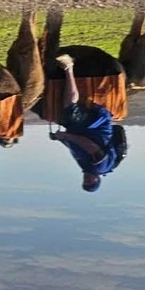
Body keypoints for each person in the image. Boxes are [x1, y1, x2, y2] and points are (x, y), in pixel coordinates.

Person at [48, 54, 122, 192]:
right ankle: (69, 67)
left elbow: (76, 146)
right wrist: (66, 136)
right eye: (90, 182)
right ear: (97, 180)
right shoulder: (98, 167)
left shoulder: (86, 167)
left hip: (83, 130)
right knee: (70, 112)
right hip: (95, 126)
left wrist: (60, 139)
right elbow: (89, 145)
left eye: (85, 182)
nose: (87, 180)